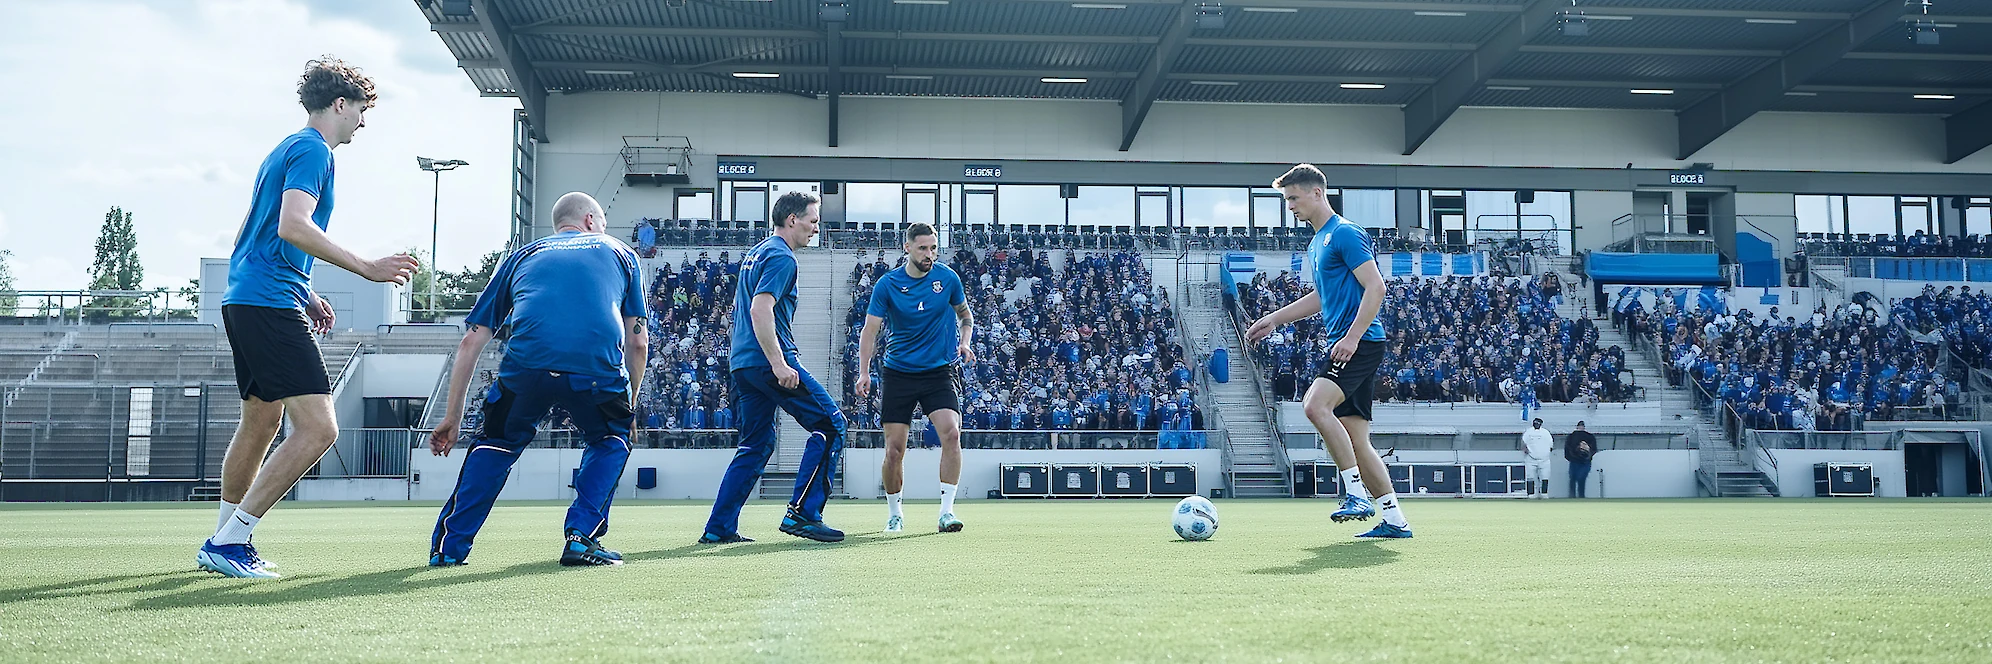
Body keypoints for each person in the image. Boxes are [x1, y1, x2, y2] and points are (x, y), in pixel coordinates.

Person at [198, 57, 419, 579]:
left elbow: (249, 237)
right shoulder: (313, 151)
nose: (363, 123)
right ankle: (230, 542)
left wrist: (306, 289)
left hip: (248, 297)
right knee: (320, 427)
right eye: (361, 110)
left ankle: (223, 540)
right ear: (340, 105)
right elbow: (293, 225)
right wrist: (367, 267)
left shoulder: (284, 148)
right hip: (268, 302)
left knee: (262, 420)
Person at [425, 193, 646, 567]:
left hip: (526, 369)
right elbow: (637, 340)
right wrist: (631, 407)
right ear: (591, 220)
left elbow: (471, 340)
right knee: (610, 440)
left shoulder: (522, 255)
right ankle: (581, 538)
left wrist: (452, 417)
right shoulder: (621, 252)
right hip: (596, 371)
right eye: (603, 221)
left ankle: (448, 550)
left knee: (495, 445)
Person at [1246, 164, 1410, 539]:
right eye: (1287, 200)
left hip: (1361, 343)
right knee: (1357, 440)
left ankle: (1355, 494)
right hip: (1355, 342)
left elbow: (1376, 287)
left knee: (1314, 405)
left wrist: (1352, 338)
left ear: (1317, 192)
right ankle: (1396, 521)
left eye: (1294, 198)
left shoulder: (1345, 234)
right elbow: (1322, 297)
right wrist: (1275, 319)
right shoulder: (1317, 241)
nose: (1290, 207)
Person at [701, 191, 849, 544]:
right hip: (767, 362)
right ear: (793, 219)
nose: (816, 229)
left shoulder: (757, 252)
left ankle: (718, 527)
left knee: (755, 445)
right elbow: (759, 309)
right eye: (813, 221)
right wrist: (779, 362)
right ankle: (804, 514)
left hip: (743, 366)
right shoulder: (783, 257)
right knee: (831, 425)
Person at [854, 222, 974, 534]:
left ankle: (947, 512)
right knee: (894, 450)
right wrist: (864, 371)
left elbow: (966, 316)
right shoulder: (888, 284)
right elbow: (870, 330)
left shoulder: (947, 278)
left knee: (952, 433)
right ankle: (895, 514)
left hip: (938, 372)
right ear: (907, 247)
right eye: (922, 248)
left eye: (933, 248)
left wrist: (965, 342)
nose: (929, 254)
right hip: (899, 373)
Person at [1521, 418, 1553, 499]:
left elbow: (1551, 444)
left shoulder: (1546, 432)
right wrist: (1525, 449)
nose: (1537, 424)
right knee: (1530, 476)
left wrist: (1546, 453)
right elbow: (1523, 442)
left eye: (1538, 423)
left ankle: (1544, 493)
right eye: (1536, 423)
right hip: (1531, 458)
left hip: (1544, 459)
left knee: (1545, 476)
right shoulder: (1528, 432)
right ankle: (1530, 494)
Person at [1564, 420, 1597, 498]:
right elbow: (1593, 450)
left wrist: (1572, 457)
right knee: (1579, 479)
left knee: (1575, 478)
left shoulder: (1571, 437)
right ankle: (1579, 495)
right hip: (1583, 462)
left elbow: (1567, 450)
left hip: (1576, 461)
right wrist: (1587, 457)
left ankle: (1574, 495)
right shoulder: (1590, 437)